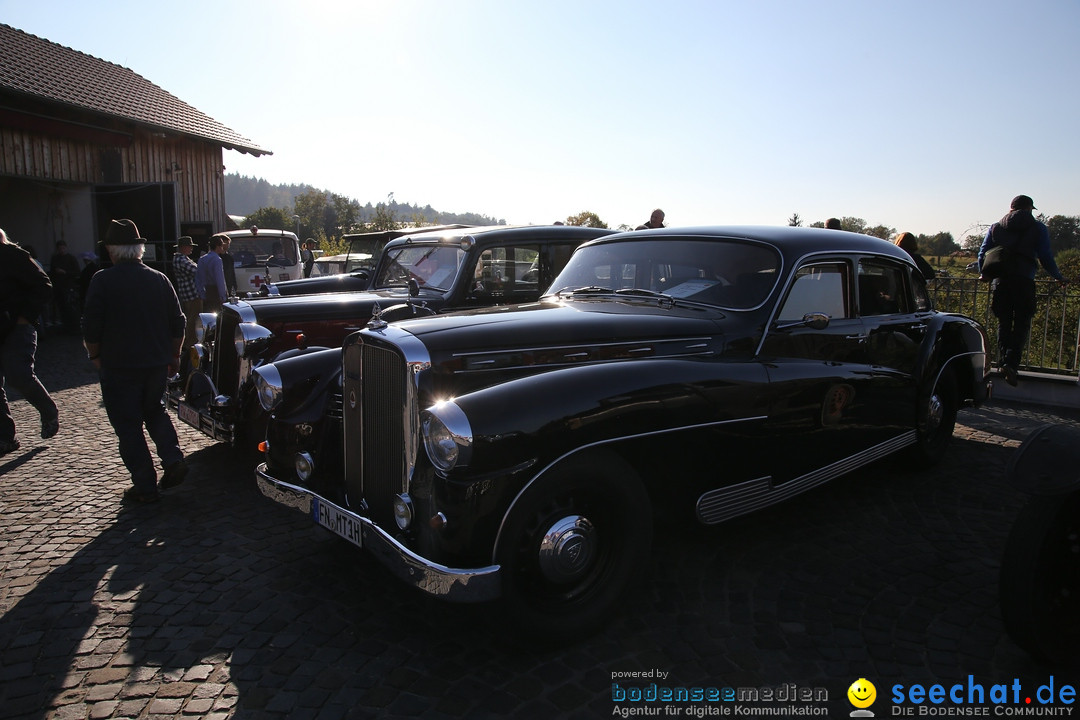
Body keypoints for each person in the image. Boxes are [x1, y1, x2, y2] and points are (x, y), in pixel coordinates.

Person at [82, 219, 187, 503]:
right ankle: (173, 458)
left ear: (113, 251)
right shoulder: (158, 279)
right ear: (139, 249)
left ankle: (144, 485)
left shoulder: (103, 280)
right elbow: (178, 323)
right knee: (154, 411)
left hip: (119, 365)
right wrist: (175, 355)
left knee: (128, 425)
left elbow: (91, 326)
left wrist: (94, 355)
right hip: (155, 363)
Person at [978, 195, 1067, 387]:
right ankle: (1012, 363)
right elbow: (1045, 256)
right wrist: (1058, 276)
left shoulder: (996, 227)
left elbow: (983, 251)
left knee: (1004, 321)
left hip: (1001, 281)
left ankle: (1003, 361)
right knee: (1022, 322)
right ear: (1029, 209)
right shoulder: (1038, 228)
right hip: (1024, 281)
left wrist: (984, 273)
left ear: (1011, 208)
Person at [0, 228, 60, 455]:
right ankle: (6, 437)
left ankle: (48, 410)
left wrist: (25, 316)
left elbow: (44, 286)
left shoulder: (13, 256)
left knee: (18, 374)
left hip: (17, 326)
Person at [171, 237, 201, 370]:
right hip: (191, 295)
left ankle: (190, 342)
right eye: (189, 246)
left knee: (192, 318)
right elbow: (197, 271)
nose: (191, 248)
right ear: (183, 247)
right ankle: (190, 343)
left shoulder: (182, 259)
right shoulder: (181, 260)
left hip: (189, 293)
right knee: (193, 319)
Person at [48, 240, 81, 331]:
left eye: (63, 248)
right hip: (59, 286)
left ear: (65, 248)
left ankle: (72, 326)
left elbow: (77, 272)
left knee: (69, 307)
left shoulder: (71, 258)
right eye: (60, 249)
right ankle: (66, 325)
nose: (61, 250)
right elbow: (52, 272)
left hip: (68, 286)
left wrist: (65, 272)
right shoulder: (55, 259)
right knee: (62, 307)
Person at [195, 236, 228, 312]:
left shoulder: (202, 259)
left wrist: (201, 294)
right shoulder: (217, 260)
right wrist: (223, 296)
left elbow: (198, 278)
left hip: (205, 292)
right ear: (218, 246)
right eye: (221, 245)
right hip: (215, 292)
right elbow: (220, 279)